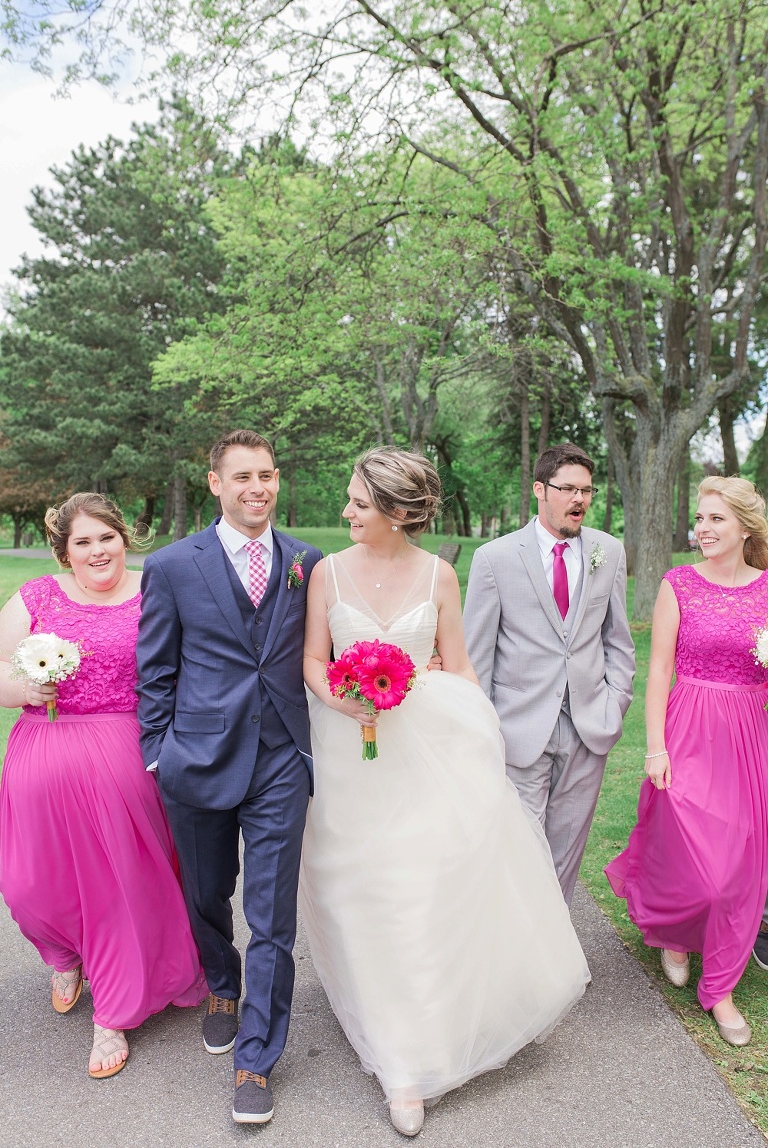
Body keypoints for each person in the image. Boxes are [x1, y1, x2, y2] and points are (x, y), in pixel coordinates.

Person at [301, 447, 590, 1138]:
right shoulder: (326, 573)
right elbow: (314, 658)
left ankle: (410, 1064)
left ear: (398, 514)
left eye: (359, 504)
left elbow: (458, 665)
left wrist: (476, 743)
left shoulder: (438, 575)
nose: (346, 512)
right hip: (351, 754)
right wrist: (344, 703)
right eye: (350, 499)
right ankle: (381, 1014)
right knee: (361, 893)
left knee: (419, 894)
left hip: (430, 750)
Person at [136, 430, 322, 1125]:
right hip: (197, 758)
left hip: (279, 759)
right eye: (242, 475)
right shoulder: (173, 565)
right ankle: (221, 980)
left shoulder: (308, 561)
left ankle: (257, 1056)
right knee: (209, 892)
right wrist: (159, 754)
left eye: (267, 474)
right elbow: (154, 670)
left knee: (272, 918)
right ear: (215, 483)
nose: (257, 487)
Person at [0, 493, 206, 1079]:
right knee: (25, 885)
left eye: (106, 537)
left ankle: (112, 1013)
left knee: (116, 888)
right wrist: (25, 690)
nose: (97, 551)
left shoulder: (156, 586)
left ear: (125, 536)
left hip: (123, 752)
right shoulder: (37, 597)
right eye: (82, 542)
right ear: (64, 552)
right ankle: (64, 953)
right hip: (41, 749)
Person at [605, 475, 768, 1047]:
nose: (702, 529)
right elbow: (657, 673)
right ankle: (676, 933)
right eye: (699, 519)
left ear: (745, 526)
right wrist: (655, 746)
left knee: (736, 870)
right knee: (690, 852)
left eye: (716, 519)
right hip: (688, 728)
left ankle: (719, 988)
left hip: (749, 735)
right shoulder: (679, 585)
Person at [463, 443, 635, 905]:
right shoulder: (495, 559)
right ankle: (513, 950)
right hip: (518, 727)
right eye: (567, 489)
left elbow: (618, 640)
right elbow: (475, 657)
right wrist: (485, 729)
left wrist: (614, 703)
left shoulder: (609, 552)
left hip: (588, 725)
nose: (578, 499)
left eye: (586, 491)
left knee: (566, 850)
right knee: (518, 846)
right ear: (540, 490)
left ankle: (552, 952)